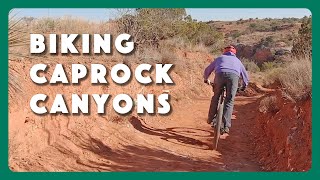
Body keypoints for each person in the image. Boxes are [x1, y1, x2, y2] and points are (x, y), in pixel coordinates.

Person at [203, 45, 249, 134]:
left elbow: (208, 70)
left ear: (224, 52)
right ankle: (226, 126)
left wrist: (206, 78)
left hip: (219, 76)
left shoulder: (220, 58)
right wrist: (244, 85)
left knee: (216, 97)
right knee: (229, 101)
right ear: (234, 53)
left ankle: (211, 119)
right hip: (233, 77)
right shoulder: (238, 61)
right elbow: (245, 75)